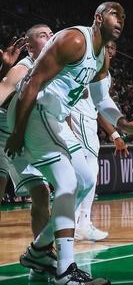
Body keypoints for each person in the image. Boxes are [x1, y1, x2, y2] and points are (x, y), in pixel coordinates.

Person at [5, 3, 133, 285]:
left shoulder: (102, 56)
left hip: (55, 118)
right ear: (98, 17)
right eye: (114, 14)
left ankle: (38, 251)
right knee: (67, 183)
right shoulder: (74, 40)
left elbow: (101, 99)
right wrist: (18, 132)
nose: (120, 20)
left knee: (85, 179)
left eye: (124, 16)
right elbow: (33, 82)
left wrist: (123, 123)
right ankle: (65, 271)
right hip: (35, 111)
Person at [0, 25, 53, 283]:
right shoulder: (23, 67)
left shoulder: (55, 66)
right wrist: (5, 69)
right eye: (43, 35)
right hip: (4, 133)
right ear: (29, 47)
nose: (50, 37)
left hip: (24, 136)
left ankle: (40, 260)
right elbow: (2, 91)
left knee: (42, 194)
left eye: (52, 34)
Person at [69, 40, 130, 242]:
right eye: (106, 47)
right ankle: (80, 224)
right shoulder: (88, 66)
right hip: (79, 119)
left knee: (85, 175)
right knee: (88, 173)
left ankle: (75, 223)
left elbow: (99, 108)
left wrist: (115, 135)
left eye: (112, 48)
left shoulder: (106, 76)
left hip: (89, 120)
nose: (109, 51)